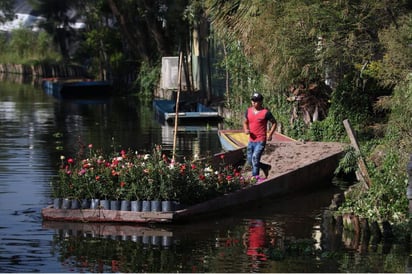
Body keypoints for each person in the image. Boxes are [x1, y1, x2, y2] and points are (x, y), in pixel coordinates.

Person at [243, 92, 277, 181]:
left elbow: (274, 123)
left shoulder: (266, 112)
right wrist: (246, 129)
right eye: (253, 100)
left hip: (261, 140)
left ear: (261, 102)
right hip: (251, 140)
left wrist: (270, 134)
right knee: (250, 161)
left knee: (255, 158)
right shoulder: (248, 111)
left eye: (256, 101)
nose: (254, 102)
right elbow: (245, 122)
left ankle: (255, 178)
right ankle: (265, 167)